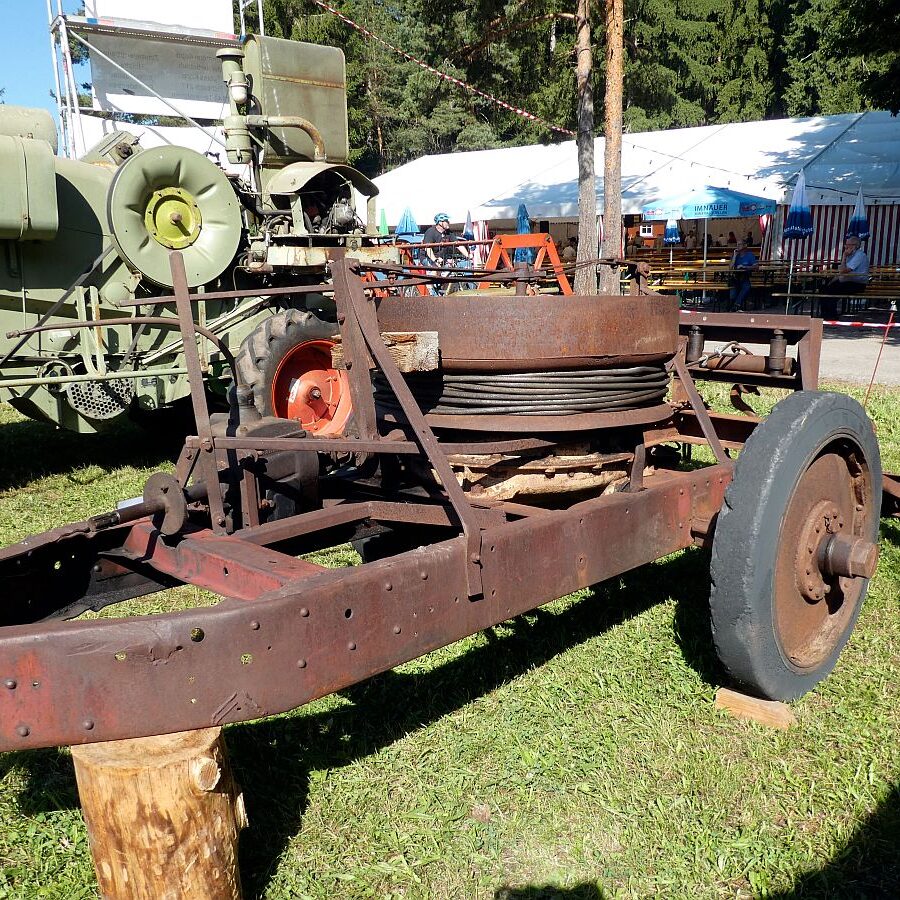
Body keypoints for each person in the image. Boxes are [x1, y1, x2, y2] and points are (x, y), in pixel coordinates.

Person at [819, 235, 869, 318]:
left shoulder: (860, 255)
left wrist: (844, 257)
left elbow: (845, 270)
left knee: (832, 291)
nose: (845, 247)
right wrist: (844, 257)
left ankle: (831, 315)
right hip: (847, 281)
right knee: (824, 289)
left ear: (854, 246)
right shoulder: (850, 255)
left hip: (857, 283)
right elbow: (842, 270)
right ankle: (825, 314)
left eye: (848, 245)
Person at [728, 239, 758, 311]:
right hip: (735, 278)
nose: (738, 246)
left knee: (746, 286)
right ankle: (735, 305)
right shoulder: (735, 255)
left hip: (744, 276)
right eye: (737, 244)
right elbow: (730, 268)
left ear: (745, 245)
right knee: (733, 294)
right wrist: (735, 256)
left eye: (740, 244)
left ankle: (737, 305)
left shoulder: (750, 255)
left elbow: (756, 266)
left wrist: (745, 267)